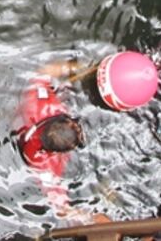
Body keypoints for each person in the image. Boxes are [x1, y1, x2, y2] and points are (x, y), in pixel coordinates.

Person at [13, 60, 99, 222]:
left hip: (22, 121)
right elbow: (58, 201)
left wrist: (69, 68)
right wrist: (79, 216)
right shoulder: (44, 165)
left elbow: (42, 73)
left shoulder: (39, 100)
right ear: (57, 153)